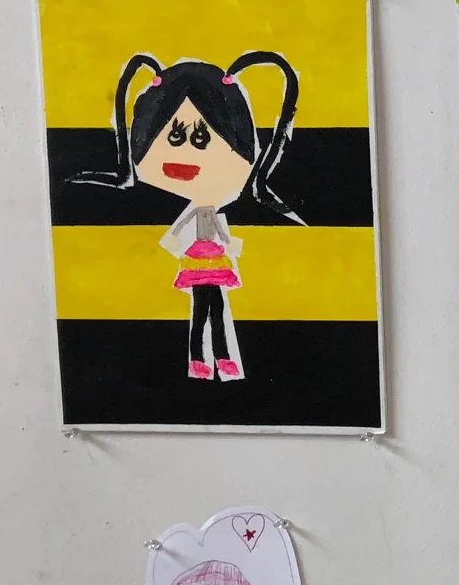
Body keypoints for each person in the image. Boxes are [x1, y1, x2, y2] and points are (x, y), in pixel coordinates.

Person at [70, 52, 300, 380]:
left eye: (202, 138)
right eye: (174, 137)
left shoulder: (227, 207)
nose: (185, 153)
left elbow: (220, 234)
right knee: (202, 311)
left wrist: (230, 247)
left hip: (213, 264)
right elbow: (176, 233)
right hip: (197, 263)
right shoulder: (168, 206)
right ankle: (199, 360)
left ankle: (222, 358)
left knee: (215, 310)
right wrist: (178, 247)